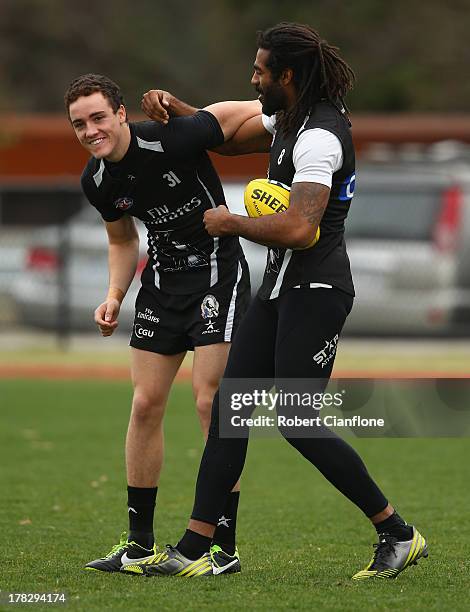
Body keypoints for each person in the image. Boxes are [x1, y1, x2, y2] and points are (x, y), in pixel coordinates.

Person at [123, 23, 428, 579]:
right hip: (280, 290)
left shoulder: (320, 137)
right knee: (228, 415)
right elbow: (227, 140)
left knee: (297, 419)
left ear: (287, 76)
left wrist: (230, 222)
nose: (253, 77)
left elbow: (301, 228)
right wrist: (180, 114)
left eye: (261, 70)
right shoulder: (291, 120)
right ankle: (195, 547)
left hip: (317, 290)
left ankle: (397, 531)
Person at [64, 74, 261, 573]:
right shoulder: (97, 180)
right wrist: (113, 295)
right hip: (162, 284)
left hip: (218, 275)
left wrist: (283, 112)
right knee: (146, 403)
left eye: (98, 118)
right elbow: (121, 241)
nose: (90, 131)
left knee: (209, 402)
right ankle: (139, 545)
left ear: (121, 113)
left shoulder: (172, 134)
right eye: (79, 124)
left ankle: (223, 548)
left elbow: (240, 113)